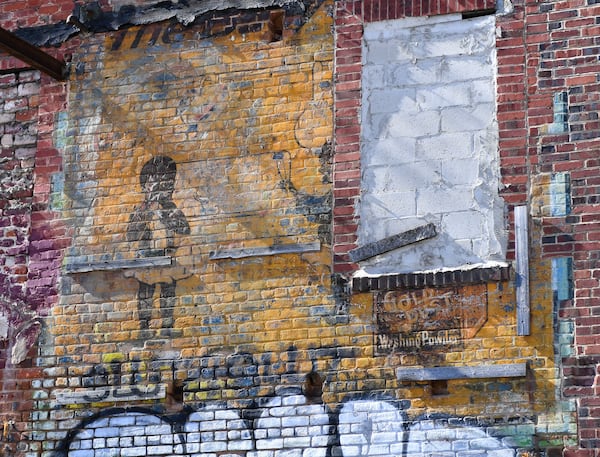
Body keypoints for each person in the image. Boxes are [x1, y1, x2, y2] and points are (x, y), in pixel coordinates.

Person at [126, 156, 190, 330]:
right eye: (155, 184)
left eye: (167, 184)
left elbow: (185, 229)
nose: (162, 188)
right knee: (146, 291)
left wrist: (166, 213)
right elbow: (132, 235)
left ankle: (167, 322)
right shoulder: (140, 211)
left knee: (168, 288)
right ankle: (144, 323)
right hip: (146, 258)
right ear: (145, 186)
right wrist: (147, 213)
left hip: (167, 256)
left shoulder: (172, 209)